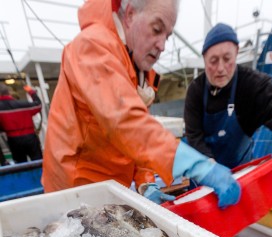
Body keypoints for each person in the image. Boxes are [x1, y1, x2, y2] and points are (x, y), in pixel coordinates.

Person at [42, 0, 241, 208]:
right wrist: (197, 166)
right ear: (129, 15)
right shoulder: (91, 47)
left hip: (111, 190)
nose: (162, 45)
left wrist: (146, 183)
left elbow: (137, 140)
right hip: (73, 192)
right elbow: (126, 122)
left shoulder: (138, 70)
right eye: (156, 30)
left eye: (167, 36)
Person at [184, 23, 272, 169]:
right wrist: (210, 169)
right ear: (204, 59)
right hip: (204, 173)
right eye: (213, 61)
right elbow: (193, 137)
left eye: (227, 59)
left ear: (236, 53)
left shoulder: (250, 83)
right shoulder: (195, 90)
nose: (220, 68)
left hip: (240, 174)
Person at [0, 83, 43, 163]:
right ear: (8, 93)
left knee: (21, 165)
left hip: (13, 140)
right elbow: (38, 105)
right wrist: (31, 91)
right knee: (38, 162)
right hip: (30, 137)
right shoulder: (23, 104)